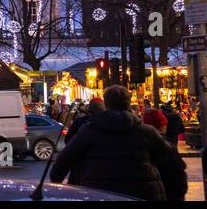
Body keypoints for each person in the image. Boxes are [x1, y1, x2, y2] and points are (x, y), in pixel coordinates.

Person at [50, 85, 186, 201]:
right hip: (143, 192)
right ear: (128, 103)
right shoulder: (146, 131)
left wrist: (56, 183)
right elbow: (170, 162)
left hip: (99, 192)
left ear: (106, 103)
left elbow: (64, 160)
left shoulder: (89, 130)